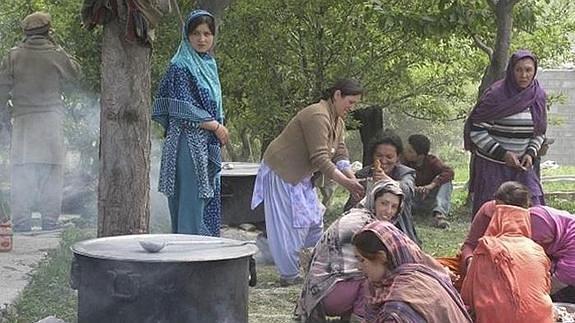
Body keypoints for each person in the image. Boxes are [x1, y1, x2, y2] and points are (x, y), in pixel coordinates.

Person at [251, 79, 365, 286]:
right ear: (337, 95)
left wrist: (352, 178)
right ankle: (289, 275)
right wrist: (348, 184)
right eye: (350, 101)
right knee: (291, 226)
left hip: (302, 177)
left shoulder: (337, 120)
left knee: (313, 222)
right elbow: (320, 158)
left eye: (355, 103)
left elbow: (340, 152)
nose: (352, 107)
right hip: (283, 171)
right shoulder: (317, 115)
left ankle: (314, 264)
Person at [0, 12, 80, 232]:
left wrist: (6, 116)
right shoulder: (55, 54)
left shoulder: (13, 56)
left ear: (25, 32)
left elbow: (1, 91)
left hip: (24, 123)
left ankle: (22, 223)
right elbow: (75, 74)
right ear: (48, 31)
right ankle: (49, 222)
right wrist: (60, 48)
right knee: (52, 174)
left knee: (22, 172)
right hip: (50, 123)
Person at [152, 10, 227, 236]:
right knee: (191, 200)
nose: (202, 39)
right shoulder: (180, 65)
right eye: (196, 33)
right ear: (187, 36)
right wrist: (216, 126)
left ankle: (204, 254)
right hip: (187, 142)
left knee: (203, 198)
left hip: (205, 142)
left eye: (207, 33)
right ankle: (190, 256)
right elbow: (181, 108)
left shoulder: (207, 64)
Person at [296, 180, 404, 322]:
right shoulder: (367, 227)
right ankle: (359, 318)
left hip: (318, 292)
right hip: (328, 291)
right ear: (373, 201)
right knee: (381, 275)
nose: (389, 211)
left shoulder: (357, 215)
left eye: (394, 206)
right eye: (384, 203)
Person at [460, 182, 575, 303]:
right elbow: (469, 244)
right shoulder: (488, 212)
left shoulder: (536, 231)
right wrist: (470, 261)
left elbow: (547, 287)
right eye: (499, 209)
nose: (502, 216)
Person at [464, 49, 547, 215]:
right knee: (493, 213)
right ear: (511, 70)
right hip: (493, 165)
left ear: (534, 71)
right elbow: (477, 130)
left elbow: (539, 131)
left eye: (528, 70)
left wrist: (530, 153)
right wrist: (503, 154)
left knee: (533, 210)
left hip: (523, 167)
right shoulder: (496, 95)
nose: (524, 75)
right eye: (519, 70)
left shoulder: (537, 96)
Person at [352, 221, 472, 323]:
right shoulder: (418, 273)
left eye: (362, 260)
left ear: (382, 257)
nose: (358, 267)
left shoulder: (398, 308)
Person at [345, 134, 419, 244]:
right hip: (364, 231)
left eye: (389, 157)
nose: (383, 161)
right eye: (379, 156)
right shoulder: (363, 174)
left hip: (398, 233)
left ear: (397, 158)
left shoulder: (406, 173)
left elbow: (408, 190)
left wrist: (387, 181)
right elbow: (348, 209)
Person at [403, 134, 454, 229]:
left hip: (429, 199)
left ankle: (439, 214)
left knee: (447, 182)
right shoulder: (403, 161)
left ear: (420, 156)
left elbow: (449, 172)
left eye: (410, 151)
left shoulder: (431, 161)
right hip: (411, 199)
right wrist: (412, 188)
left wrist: (431, 185)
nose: (406, 152)